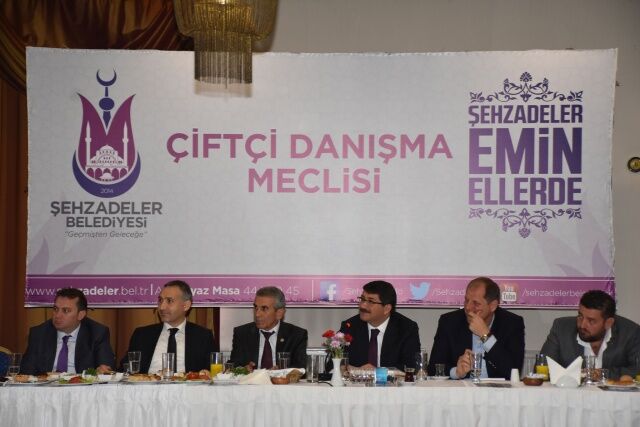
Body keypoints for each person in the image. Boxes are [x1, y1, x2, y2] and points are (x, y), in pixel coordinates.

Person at [427, 277, 525, 379]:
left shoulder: (512, 324)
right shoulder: (449, 322)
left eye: (476, 303)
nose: (468, 307)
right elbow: (433, 368)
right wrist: (456, 372)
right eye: (466, 300)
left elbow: (513, 371)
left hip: (496, 388)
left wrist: (486, 336)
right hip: (461, 388)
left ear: (493, 305)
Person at [540, 290, 640, 379]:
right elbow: (542, 367)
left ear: (608, 323)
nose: (582, 325)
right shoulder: (561, 328)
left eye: (591, 321)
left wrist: (603, 374)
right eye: (580, 316)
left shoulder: (630, 333)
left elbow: (637, 369)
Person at [122, 280, 218, 373]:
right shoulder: (142, 335)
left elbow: (212, 373)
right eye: (160, 300)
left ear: (186, 305)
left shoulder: (203, 336)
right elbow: (124, 369)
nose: (162, 307)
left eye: (169, 301)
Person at [20, 288, 115, 375]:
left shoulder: (97, 333)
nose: (57, 315)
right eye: (56, 309)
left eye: (65, 311)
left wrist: (102, 370)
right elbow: (26, 372)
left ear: (81, 315)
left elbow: (106, 368)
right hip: (47, 386)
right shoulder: (39, 334)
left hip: (82, 386)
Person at [339, 280, 420, 370]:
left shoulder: (407, 329)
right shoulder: (349, 326)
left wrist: (379, 371)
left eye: (370, 301)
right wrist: (353, 370)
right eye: (362, 299)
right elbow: (333, 364)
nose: (362, 306)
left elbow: (411, 367)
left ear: (387, 309)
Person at [230, 286, 308, 369]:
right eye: (256, 308)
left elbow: (300, 367)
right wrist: (243, 370)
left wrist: (282, 371)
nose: (257, 314)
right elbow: (233, 365)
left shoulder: (296, 335)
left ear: (279, 313)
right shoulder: (242, 333)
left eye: (264, 309)